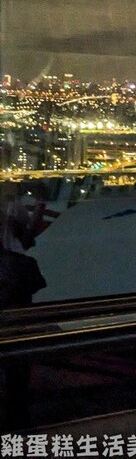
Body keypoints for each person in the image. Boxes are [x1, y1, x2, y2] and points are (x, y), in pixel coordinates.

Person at [0, 181, 48, 431]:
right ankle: (17, 417)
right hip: (13, 277)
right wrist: (40, 205)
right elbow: (26, 239)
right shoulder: (12, 206)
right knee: (18, 343)